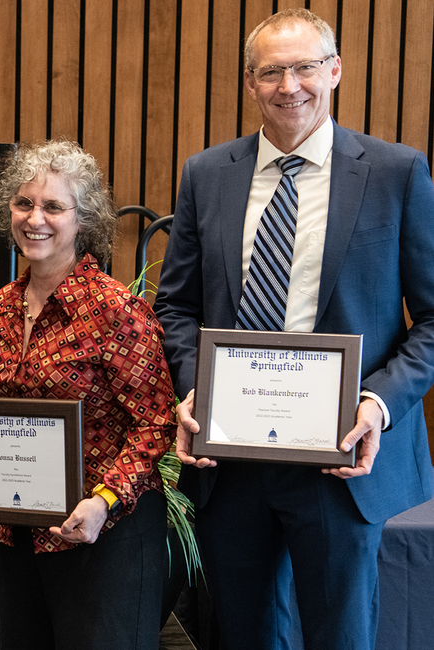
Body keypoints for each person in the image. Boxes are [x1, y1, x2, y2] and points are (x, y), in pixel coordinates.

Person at [154, 9, 434, 649]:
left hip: (340, 460)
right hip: (233, 461)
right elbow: (175, 306)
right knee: (246, 635)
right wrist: (200, 390)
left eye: (305, 67)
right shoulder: (207, 174)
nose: (290, 86)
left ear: (334, 71)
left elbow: (433, 320)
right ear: (250, 83)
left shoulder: (395, 174)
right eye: (272, 72)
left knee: (340, 636)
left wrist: (378, 403)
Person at [0, 140, 176, 649]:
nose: (34, 218)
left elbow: (156, 423)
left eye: (53, 206)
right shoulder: (2, 306)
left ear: (82, 219)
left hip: (103, 535)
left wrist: (104, 501)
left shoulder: (117, 310)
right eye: (24, 204)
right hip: (18, 529)